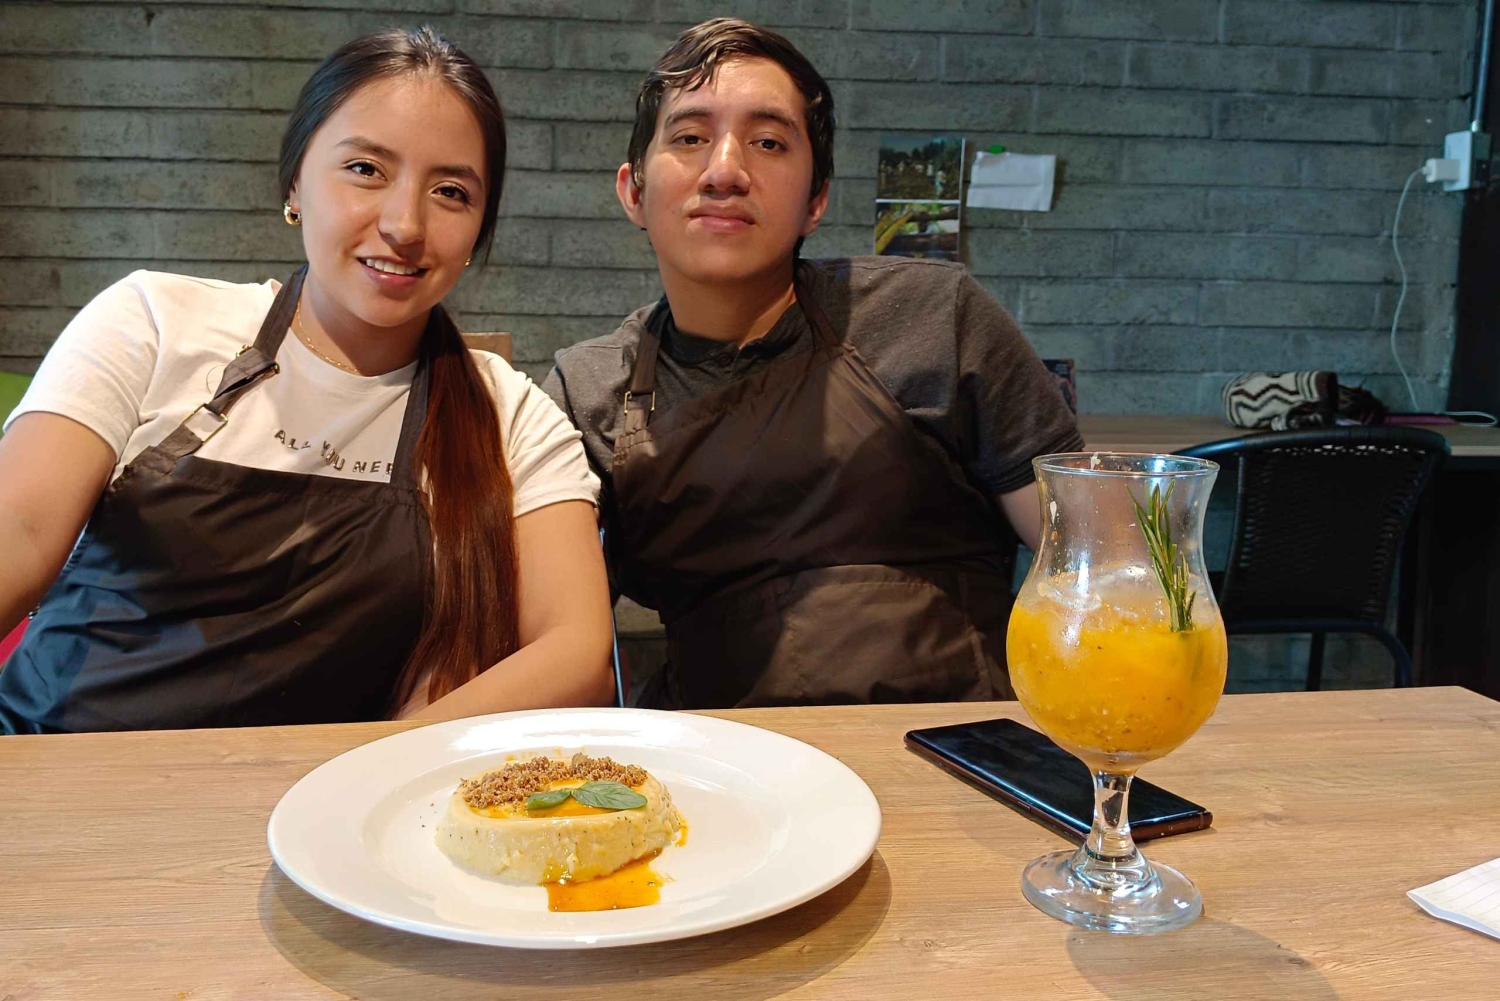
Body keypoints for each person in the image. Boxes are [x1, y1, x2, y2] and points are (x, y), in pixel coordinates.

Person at [0, 28, 615, 734]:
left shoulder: (511, 415)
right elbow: (21, 530)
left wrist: (370, 767)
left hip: (322, 793)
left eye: (451, 191)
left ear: (479, 228)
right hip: (57, 757)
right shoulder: (155, 322)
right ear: (295, 182)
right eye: (365, 169)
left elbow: (577, 654)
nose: (404, 224)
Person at [543, 19, 1084, 709]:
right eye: (689, 137)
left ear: (816, 200)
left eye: (768, 142)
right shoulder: (588, 391)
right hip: (718, 754)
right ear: (633, 192)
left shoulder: (934, 316)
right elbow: (555, 640)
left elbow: (1097, 564)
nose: (725, 171)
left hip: (956, 744)